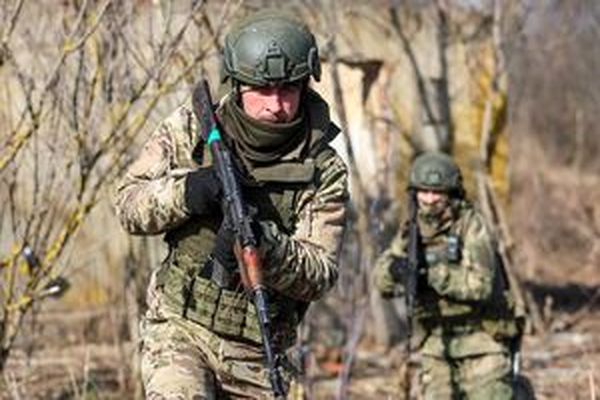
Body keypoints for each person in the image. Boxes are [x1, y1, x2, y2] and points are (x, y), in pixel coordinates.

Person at [114, 10, 348, 399]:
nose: (276, 104)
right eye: (263, 89)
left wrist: (265, 243)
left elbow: (320, 274)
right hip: (181, 328)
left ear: (306, 85)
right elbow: (128, 205)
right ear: (238, 84)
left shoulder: (323, 168)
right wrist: (189, 192)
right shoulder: (195, 127)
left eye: (289, 89)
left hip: (259, 350)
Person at [373, 152, 527, 399]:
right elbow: (381, 283)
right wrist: (395, 271)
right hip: (436, 344)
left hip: (483, 340)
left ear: (451, 193)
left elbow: (481, 285)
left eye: (437, 192)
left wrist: (432, 275)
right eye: (424, 192)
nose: (430, 199)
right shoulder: (411, 232)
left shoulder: (471, 227)